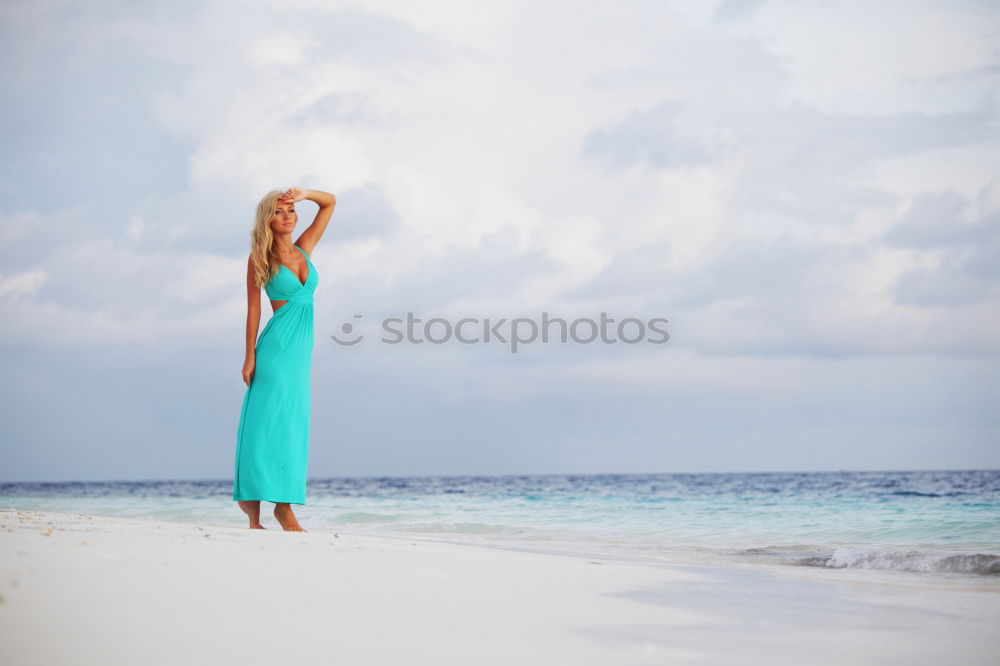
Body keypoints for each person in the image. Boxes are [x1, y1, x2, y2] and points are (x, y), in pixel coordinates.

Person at [232, 187, 336, 531]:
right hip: (276, 351)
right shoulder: (260, 259)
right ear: (267, 219)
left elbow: (329, 202)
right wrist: (249, 357)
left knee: (293, 425)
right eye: (279, 211)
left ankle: (283, 506)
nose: (288, 215)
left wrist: (304, 194)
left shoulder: (304, 250)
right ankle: (255, 511)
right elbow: (252, 311)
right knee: (265, 425)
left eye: (291, 210)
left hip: (300, 355)